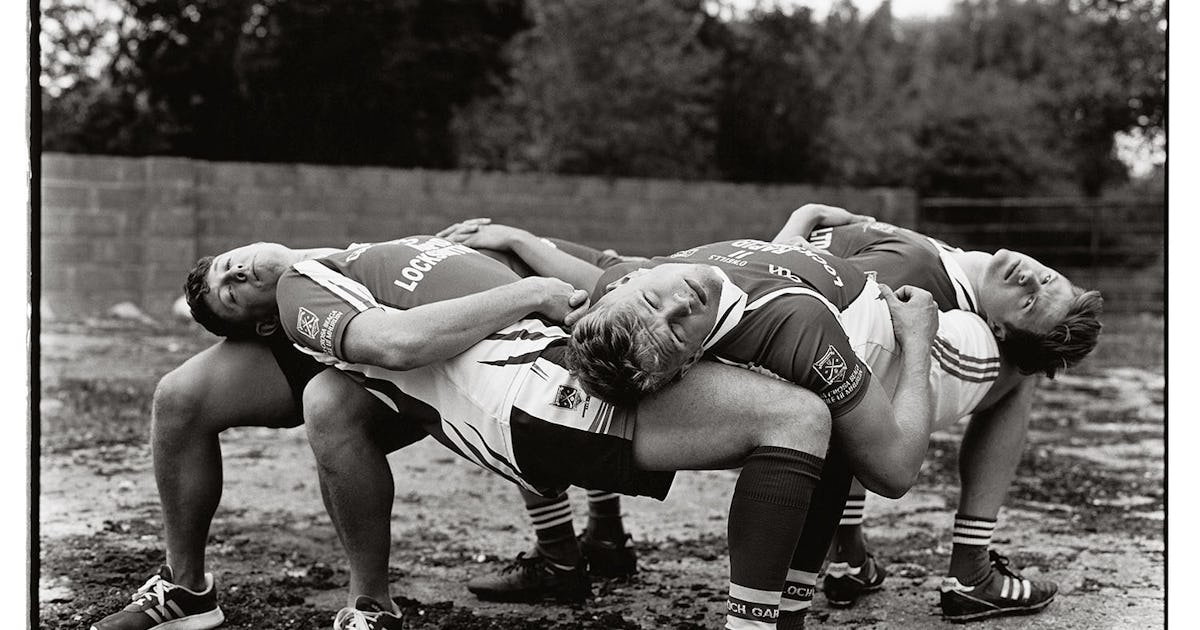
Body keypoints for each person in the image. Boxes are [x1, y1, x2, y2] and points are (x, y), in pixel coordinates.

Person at [175, 235, 935, 630]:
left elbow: (592, 279)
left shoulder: (359, 255)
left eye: (228, 266)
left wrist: (514, 244)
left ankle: (394, 600)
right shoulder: (308, 287)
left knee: (332, 404)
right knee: (798, 415)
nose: (236, 272)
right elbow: (393, 346)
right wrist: (534, 291)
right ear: (264, 321)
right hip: (535, 391)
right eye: (228, 289)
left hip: (539, 381)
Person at [770, 203, 1102, 622]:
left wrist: (796, 230)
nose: (1029, 276)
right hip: (762, 348)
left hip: (768, 321)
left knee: (872, 372)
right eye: (1047, 277)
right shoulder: (923, 268)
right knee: (1014, 374)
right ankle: (969, 571)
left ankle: (850, 555)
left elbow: (815, 219)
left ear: (999, 330)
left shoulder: (928, 272)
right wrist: (790, 238)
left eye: (1029, 301)